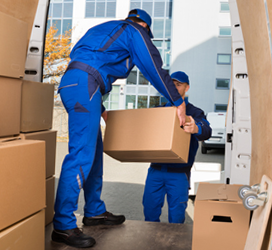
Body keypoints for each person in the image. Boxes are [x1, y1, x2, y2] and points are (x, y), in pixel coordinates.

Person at [52, 9, 188, 248]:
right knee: (81, 156)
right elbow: (154, 69)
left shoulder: (105, 29)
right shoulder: (135, 31)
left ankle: (94, 211)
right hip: (86, 85)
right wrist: (178, 101)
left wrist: (100, 105)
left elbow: (88, 61)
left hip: (77, 84)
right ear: (145, 27)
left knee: (93, 153)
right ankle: (63, 225)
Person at [142, 71, 212, 224]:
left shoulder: (194, 112)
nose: (174, 87)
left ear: (187, 88)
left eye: (178, 85)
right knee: (150, 212)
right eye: (171, 84)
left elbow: (206, 131)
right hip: (155, 171)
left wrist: (196, 128)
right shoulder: (158, 111)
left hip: (179, 173)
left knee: (177, 217)